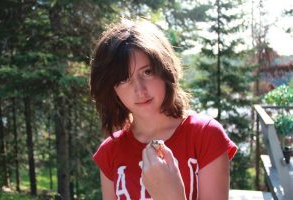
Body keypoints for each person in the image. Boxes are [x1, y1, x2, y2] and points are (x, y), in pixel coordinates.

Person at [90, 18, 237, 200]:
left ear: (166, 69)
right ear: (111, 88)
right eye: (123, 79)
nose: (140, 90)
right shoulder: (109, 153)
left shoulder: (206, 135)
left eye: (147, 72)